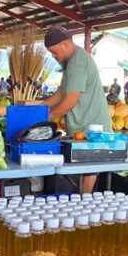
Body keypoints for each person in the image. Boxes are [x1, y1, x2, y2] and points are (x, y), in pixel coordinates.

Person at [40, 26, 110, 193]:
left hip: (92, 128)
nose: (53, 56)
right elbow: (62, 93)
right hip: (82, 127)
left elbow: (70, 102)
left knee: (89, 170)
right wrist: (40, 107)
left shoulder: (77, 63)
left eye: (54, 52)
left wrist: (47, 116)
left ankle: (84, 201)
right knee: (83, 171)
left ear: (65, 44)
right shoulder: (71, 62)